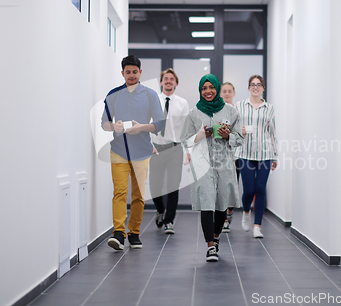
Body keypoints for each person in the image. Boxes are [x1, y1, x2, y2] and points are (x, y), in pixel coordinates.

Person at [101, 55, 165, 250]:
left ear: (140, 72)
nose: (131, 75)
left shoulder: (150, 95)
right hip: (119, 150)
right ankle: (118, 233)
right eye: (127, 72)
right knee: (119, 191)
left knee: (138, 195)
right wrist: (115, 126)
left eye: (134, 72)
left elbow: (160, 123)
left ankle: (134, 233)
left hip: (142, 151)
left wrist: (142, 127)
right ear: (122, 73)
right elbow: (104, 124)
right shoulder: (112, 95)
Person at [180, 74, 243, 262]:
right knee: (207, 203)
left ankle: (216, 238)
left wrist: (227, 136)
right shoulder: (193, 113)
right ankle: (210, 247)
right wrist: (200, 135)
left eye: (211, 88)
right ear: (200, 91)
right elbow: (185, 139)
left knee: (222, 204)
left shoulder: (231, 111)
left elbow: (240, 138)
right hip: (202, 164)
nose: (208, 91)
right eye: (204, 88)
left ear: (217, 89)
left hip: (224, 163)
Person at [234, 75, 278, 238]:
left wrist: (275, 156)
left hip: (265, 153)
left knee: (260, 189)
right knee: (248, 190)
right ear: (249, 87)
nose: (255, 87)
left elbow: (273, 133)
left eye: (259, 85)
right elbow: (232, 128)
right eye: (252, 84)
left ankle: (257, 226)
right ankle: (246, 211)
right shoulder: (239, 106)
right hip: (245, 152)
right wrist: (241, 130)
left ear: (263, 88)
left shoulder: (269, 108)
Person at [150, 68, 189, 234]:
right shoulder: (152, 101)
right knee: (155, 186)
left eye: (171, 79)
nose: (168, 81)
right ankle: (160, 210)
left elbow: (186, 130)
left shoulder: (182, 103)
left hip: (175, 148)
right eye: (165, 79)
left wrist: (188, 151)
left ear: (176, 83)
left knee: (173, 186)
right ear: (161, 82)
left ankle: (169, 221)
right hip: (156, 148)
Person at [219, 82, 239, 233]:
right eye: (224, 91)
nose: (226, 94)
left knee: (232, 186)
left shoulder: (238, 111)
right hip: (219, 157)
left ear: (233, 93)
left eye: (229, 91)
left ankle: (229, 212)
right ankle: (223, 218)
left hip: (236, 155)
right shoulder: (217, 111)